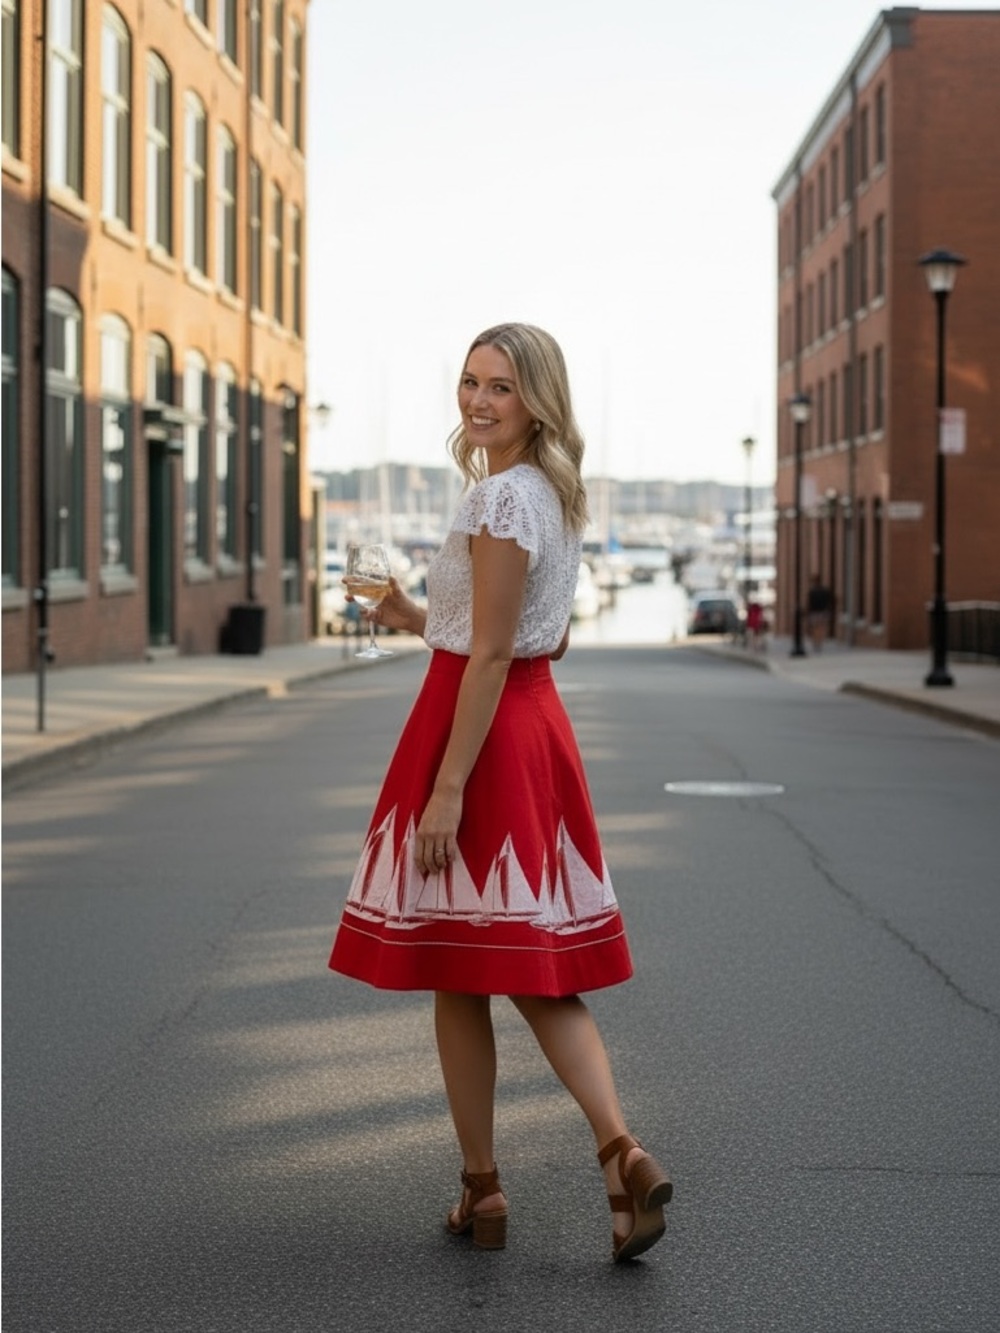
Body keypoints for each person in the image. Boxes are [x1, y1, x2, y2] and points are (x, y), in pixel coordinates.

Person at [329, 323, 671, 1263]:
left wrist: (446, 790)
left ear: (537, 401)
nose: (478, 401)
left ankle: (498, 1183)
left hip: (477, 734)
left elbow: (488, 652)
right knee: (525, 965)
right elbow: (512, 633)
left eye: (501, 389)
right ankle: (615, 1158)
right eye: (469, 382)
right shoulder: (545, 497)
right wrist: (398, 604)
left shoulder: (503, 502)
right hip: (525, 723)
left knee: (464, 968)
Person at [806, 575, 833, 652]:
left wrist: (808, 612)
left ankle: (816, 642)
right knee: (821, 628)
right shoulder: (825, 591)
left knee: (815, 628)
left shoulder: (812, 592)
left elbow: (809, 603)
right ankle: (819, 641)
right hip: (823, 612)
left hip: (814, 612)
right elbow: (829, 601)